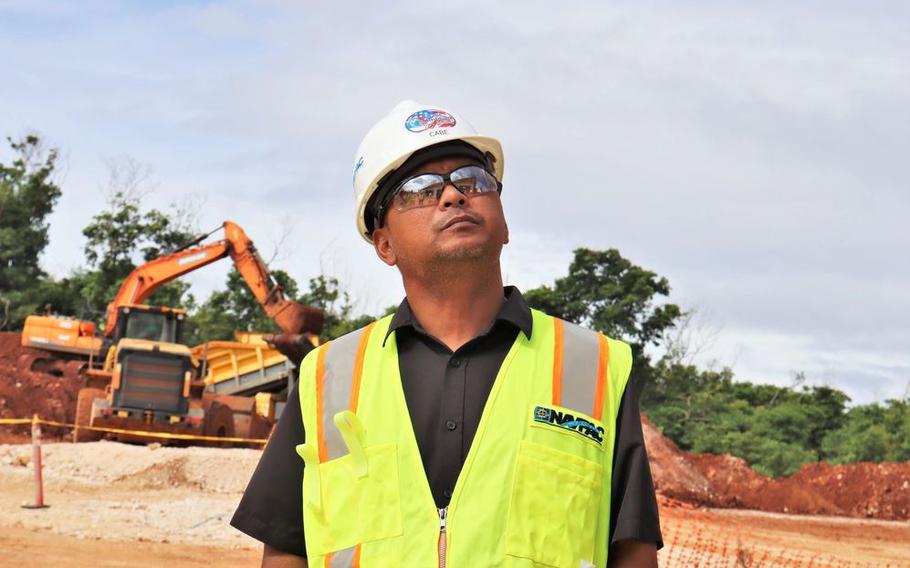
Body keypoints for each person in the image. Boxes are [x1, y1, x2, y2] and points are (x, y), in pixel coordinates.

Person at [231, 101, 663, 568]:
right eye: (420, 189)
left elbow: (631, 549)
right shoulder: (328, 378)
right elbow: (286, 548)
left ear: (505, 222)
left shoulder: (592, 366)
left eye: (472, 179)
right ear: (384, 244)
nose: (454, 196)